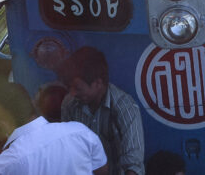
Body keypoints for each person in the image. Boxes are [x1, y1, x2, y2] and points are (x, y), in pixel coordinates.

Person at [58, 46, 145, 175]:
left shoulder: (125, 107)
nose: (72, 93)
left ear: (98, 83)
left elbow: (133, 164)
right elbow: (66, 150)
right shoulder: (69, 104)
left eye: (78, 88)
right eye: (69, 87)